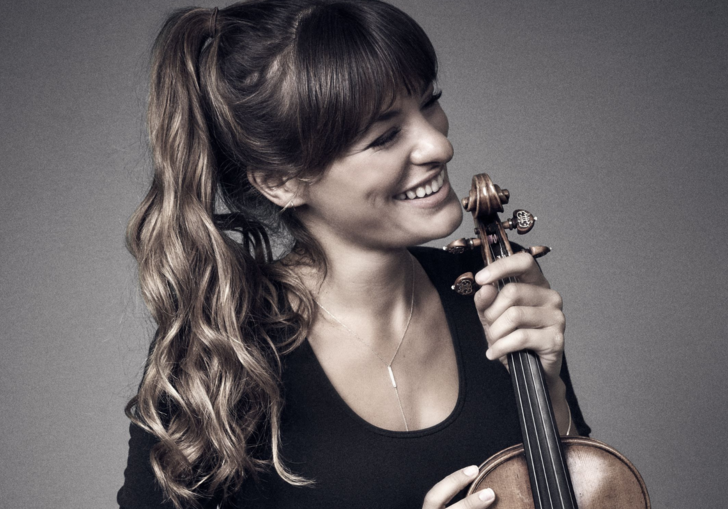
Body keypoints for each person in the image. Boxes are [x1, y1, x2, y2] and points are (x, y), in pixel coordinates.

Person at [118, 1, 590, 508]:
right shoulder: (218, 353)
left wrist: (551, 392)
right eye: (384, 136)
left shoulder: (497, 281)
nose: (438, 145)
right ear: (281, 182)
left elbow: (590, 493)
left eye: (430, 102)